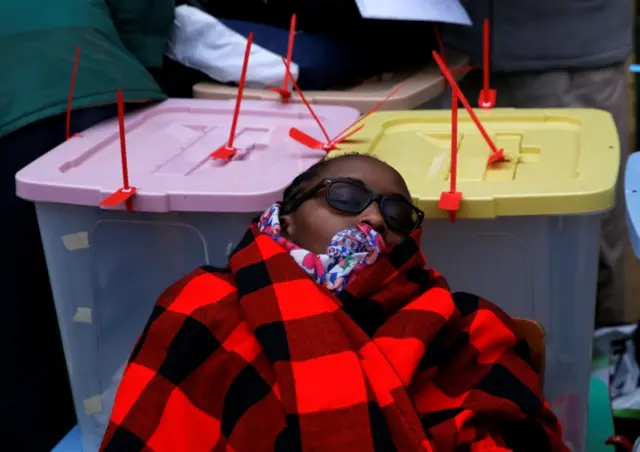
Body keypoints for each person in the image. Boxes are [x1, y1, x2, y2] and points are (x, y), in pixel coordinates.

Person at [101, 154, 568, 451]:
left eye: (396, 213)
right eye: (346, 197)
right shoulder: (203, 303)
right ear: (284, 220)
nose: (372, 218)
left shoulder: (465, 322)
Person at [0, 0, 173, 449]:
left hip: (16, 108)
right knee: (129, 292)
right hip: (110, 84)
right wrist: (140, 58)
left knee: (19, 306)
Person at [441, 0, 633, 325]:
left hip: (568, 56)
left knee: (586, 243)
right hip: (458, 55)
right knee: (470, 240)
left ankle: (601, 362)